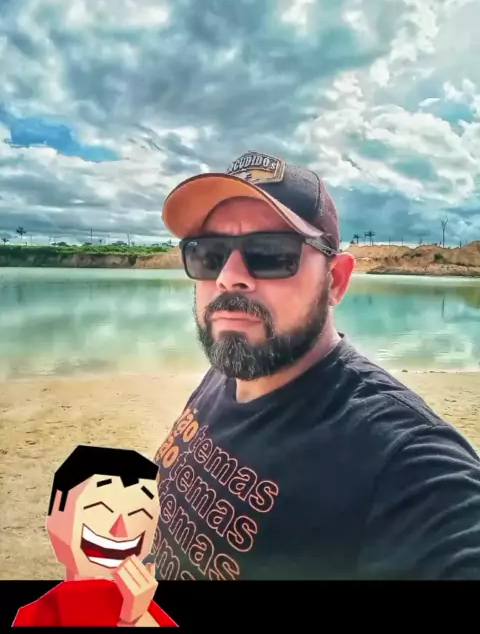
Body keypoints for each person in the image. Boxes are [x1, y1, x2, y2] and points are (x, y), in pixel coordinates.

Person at [149, 150, 480, 581]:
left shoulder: (403, 460)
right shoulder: (234, 365)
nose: (228, 277)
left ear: (335, 281)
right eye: (208, 255)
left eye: (270, 253)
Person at [12, 445, 177, 626]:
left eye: (140, 514)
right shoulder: (41, 612)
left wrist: (137, 616)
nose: (120, 531)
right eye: (100, 510)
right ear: (59, 505)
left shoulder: (138, 603)